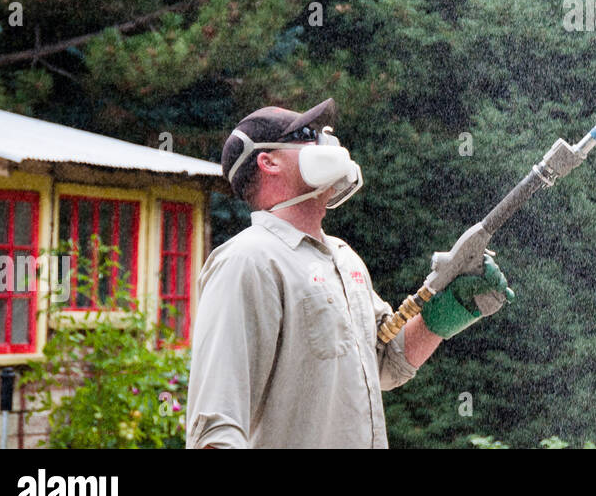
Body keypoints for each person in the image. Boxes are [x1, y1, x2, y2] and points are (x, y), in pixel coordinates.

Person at [186, 98, 513, 448]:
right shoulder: (248, 260)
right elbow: (215, 427)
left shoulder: (344, 258)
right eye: (308, 135)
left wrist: (443, 314)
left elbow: (385, 362)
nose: (326, 143)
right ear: (268, 162)